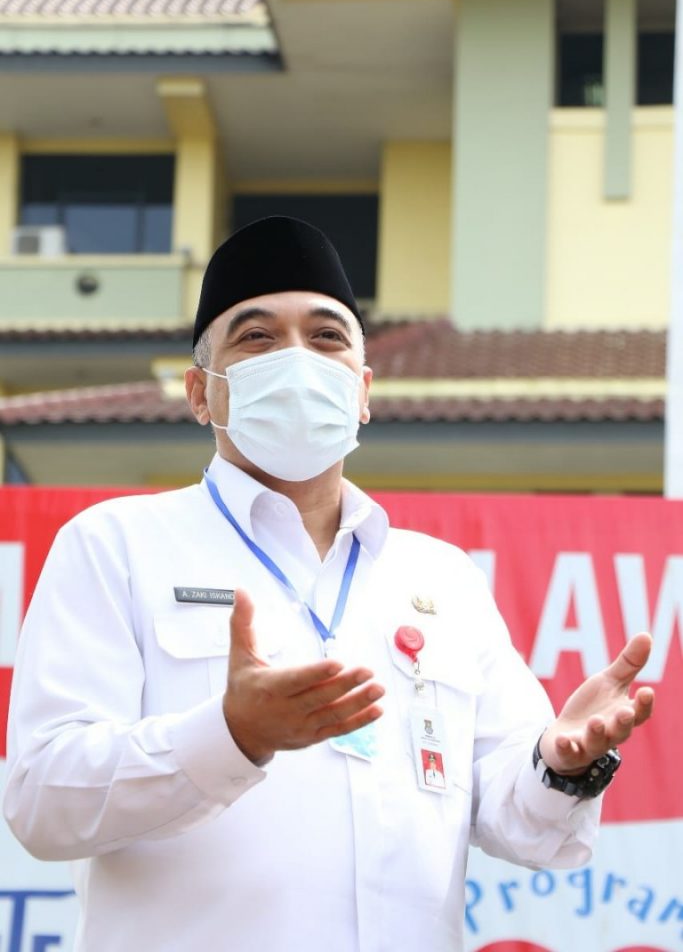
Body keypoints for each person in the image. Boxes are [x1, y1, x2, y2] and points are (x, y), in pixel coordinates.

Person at [4, 216, 654, 952]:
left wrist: (560, 765)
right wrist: (231, 735)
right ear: (199, 393)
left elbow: (517, 822)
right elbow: (42, 799)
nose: (296, 360)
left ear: (362, 390)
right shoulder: (115, 545)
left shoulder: (440, 577)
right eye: (257, 337)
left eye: (326, 337)